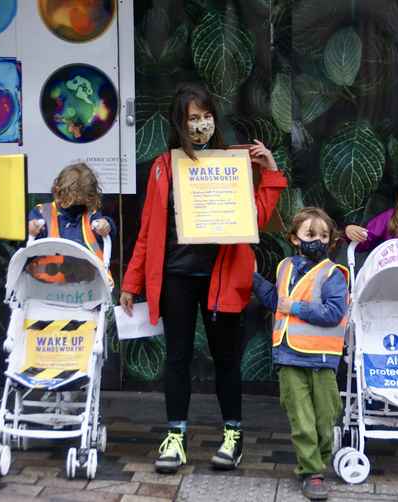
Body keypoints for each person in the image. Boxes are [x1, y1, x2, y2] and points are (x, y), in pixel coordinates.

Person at [119, 82, 287, 473]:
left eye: (206, 116)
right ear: (179, 123)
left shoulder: (230, 163)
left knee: (226, 359)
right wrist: (132, 282)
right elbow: (147, 231)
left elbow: (255, 219)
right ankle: (175, 437)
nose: (201, 124)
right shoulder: (163, 167)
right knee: (176, 359)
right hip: (176, 276)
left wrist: (271, 173)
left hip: (222, 278)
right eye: (193, 118)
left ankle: (234, 436)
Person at [252, 207, 348, 501]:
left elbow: (333, 312)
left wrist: (294, 307)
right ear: (294, 238)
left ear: (331, 241)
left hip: (322, 359)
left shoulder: (333, 274)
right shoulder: (284, 268)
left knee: (326, 416)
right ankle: (312, 471)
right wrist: (254, 278)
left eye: (323, 236)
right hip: (289, 356)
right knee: (302, 418)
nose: (317, 241)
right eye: (310, 235)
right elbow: (274, 300)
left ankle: (317, 461)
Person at [27, 162, 115, 267]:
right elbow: (28, 243)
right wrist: (31, 229)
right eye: (71, 202)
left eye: (81, 203)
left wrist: (107, 225)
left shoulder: (92, 216)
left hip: (88, 280)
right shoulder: (42, 213)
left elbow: (106, 230)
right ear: (59, 192)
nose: (75, 207)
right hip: (44, 280)